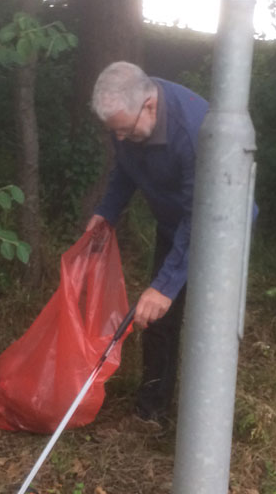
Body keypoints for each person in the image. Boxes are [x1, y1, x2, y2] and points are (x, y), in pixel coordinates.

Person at [85, 61, 206, 425]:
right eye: (114, 133)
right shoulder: (127, 121)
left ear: (149, 105)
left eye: (124, 130)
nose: (119, 139)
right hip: (175, 226)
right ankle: (152, 411)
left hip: (218, 233)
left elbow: (200, 217)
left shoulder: (195, 133)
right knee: (159, 320)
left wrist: (164, 287)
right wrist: (108, 211)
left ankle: (204, 429)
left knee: (207, 325)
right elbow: (126, 166)